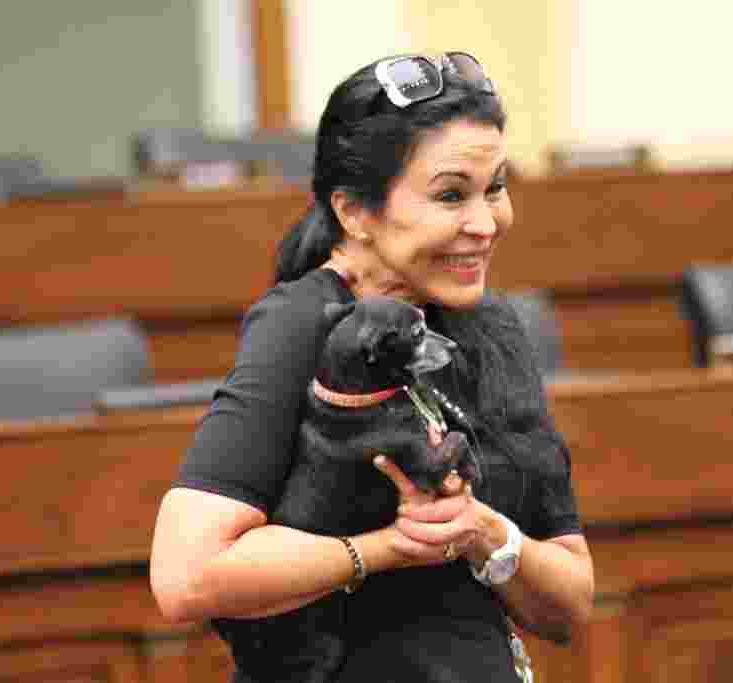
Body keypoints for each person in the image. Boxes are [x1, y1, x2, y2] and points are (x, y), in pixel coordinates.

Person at [149, 51, 595, 682]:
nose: (487, 221)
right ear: (354, 212)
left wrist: (485, 532)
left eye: (494, 187)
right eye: (450, 195)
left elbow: (571, 603)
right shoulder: (302, 323)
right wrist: (387, 549)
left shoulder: (493, 328)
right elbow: (185, 576)